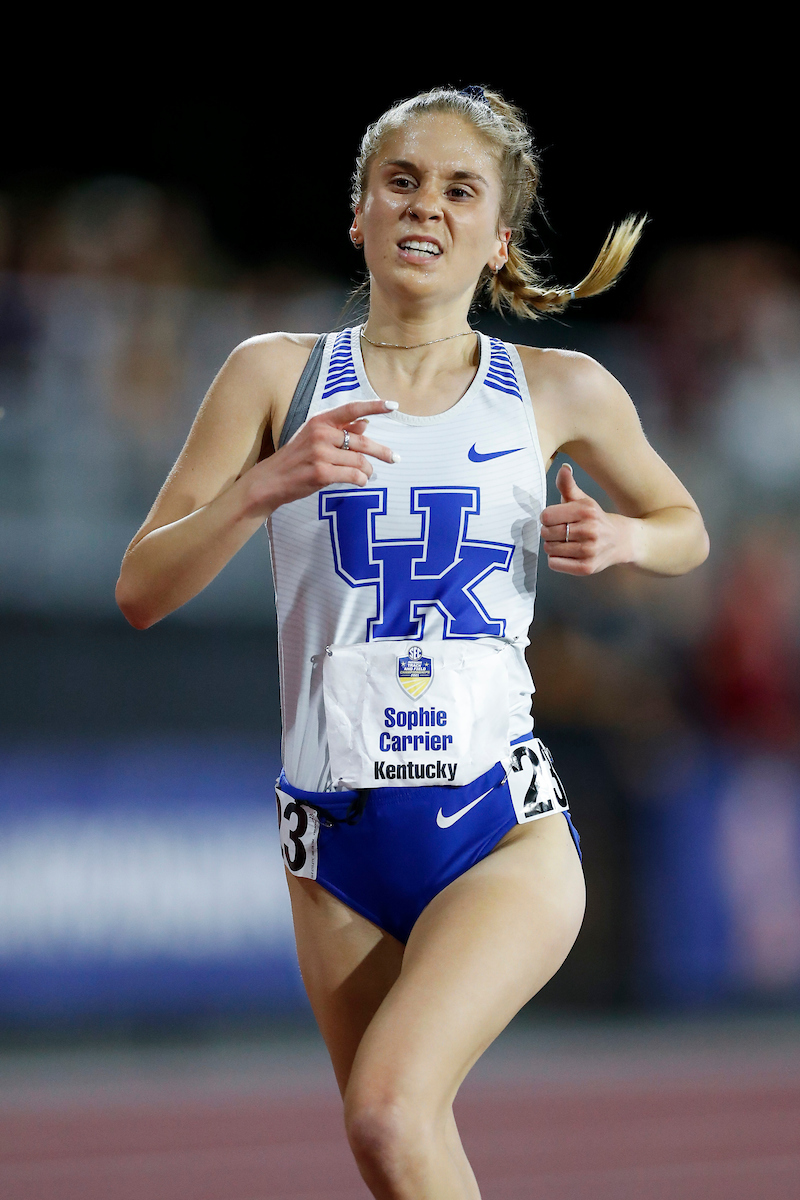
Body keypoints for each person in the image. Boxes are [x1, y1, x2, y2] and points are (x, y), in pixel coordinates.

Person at [116, 86, 709, 1199]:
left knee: (389, 1113)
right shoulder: (272, 374)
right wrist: (263, 486)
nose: (423, 207)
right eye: (400, 181)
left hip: (496, 829)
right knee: (392, 1151)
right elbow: (141, 589)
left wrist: (623, 533)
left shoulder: (557, 386)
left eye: (457, 190)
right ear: (357, 213)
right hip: (334, 843)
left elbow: (688, 529)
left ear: (495, 240)